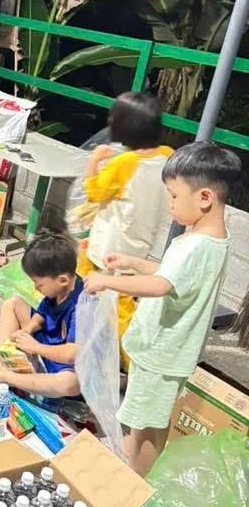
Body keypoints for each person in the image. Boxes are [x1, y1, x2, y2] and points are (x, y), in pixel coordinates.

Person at [85, 141, 241, 476]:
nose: (169, 204)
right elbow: (174, 277)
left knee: (143, 427)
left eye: (173, 196)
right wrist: (132, 263)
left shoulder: (195, 246)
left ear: (204, 198)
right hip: (169, 354)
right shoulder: (212, 240)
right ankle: (136, 465)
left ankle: (133, 481)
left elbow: (162, 285)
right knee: (151, 420)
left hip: (161, 354)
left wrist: (107, 281)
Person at [76, 92, 173, 346]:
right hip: (140, 243)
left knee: (112, 298)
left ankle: (124, 352)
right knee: (124, 292)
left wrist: (95, 160)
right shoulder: (166, 155)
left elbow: (94, 192)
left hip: (111, 244)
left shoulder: (123, 164)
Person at [0, 231, 82, 399]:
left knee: (70, 384)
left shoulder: (82, 307)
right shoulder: (60, 287)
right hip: (45, 343)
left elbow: (72, 354)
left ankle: (4, 377)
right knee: (13, 304)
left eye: (39, 284)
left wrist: (35, 347)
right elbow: (42, 313)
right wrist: (28, 329)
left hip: (63, 363)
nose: (36, 289)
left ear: (62, 280)